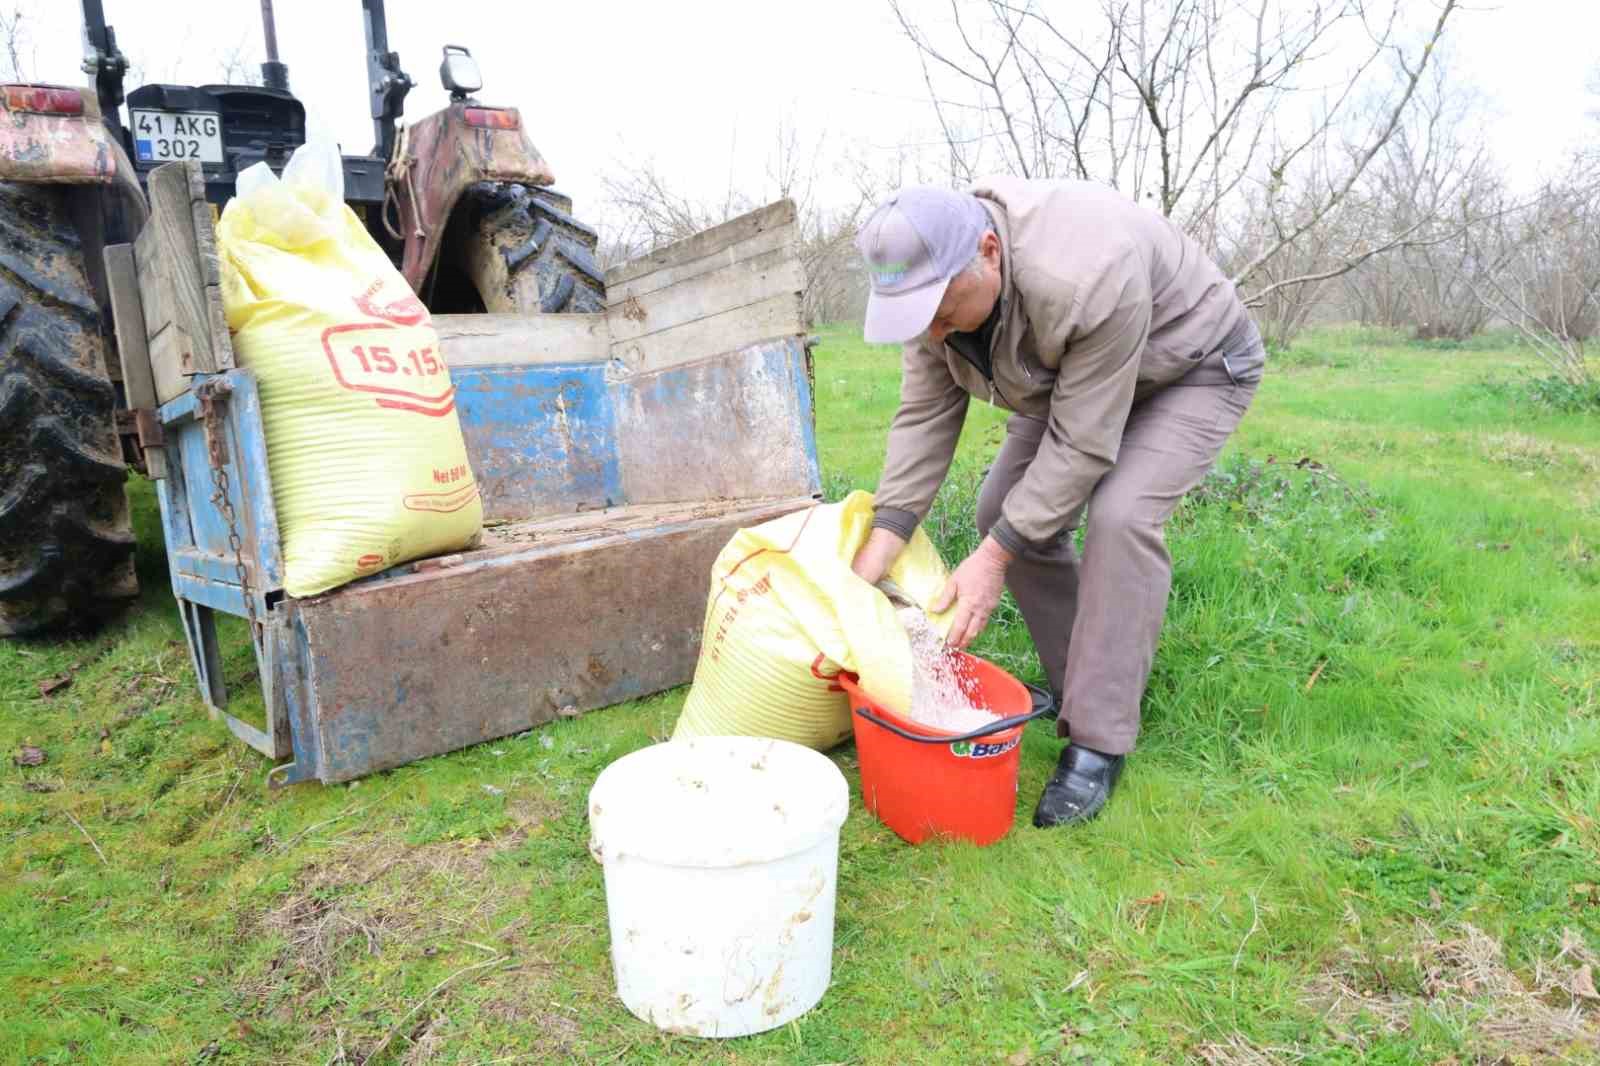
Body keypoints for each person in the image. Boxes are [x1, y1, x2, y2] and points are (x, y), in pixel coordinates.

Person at [850, 178, 1264, 827]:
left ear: (989, 251)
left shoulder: (1085, 270)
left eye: (939, 308)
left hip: (1190, 367)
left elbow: (1083, 445)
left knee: (1122, 518)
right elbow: (924, 417)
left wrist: (993, 560)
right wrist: (881, 544)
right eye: (916, 315)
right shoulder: (932, 297)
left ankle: (1100, 738)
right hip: (1071, 379)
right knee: (1001, 512)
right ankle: (1083, 687)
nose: (930, 328)